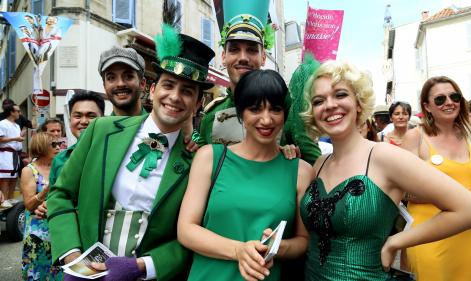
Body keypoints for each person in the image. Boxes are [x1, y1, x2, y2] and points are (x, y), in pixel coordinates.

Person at [47, 26, 215, 281]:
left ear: (198, 103)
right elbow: (61, 194)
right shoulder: (101, 130)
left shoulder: (197, 161)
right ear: (152, 89)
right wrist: (72, 255)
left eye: (187, 91)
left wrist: (143, 266)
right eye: (168, 85)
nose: (175, 97)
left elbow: (192, 236)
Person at [300, 61, 471, 280]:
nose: (329, 105)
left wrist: (395, 242)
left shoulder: (385, 156)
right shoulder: (319, 163)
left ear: (359, 103)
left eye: (340, 95)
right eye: (319, 101)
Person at [177, 69, 313, 281]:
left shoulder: (301, 172)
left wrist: (278, 247)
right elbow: (186, 229)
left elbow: (304, 240)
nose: (266, 119)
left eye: (275, 109)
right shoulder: (210, 158)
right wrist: (239, 251)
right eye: (255, 109)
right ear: (240, 113)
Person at [198, 0, 320, 165]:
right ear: (223, 57)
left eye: (252, 49)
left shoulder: (286, 104)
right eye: (234, 49)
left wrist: (291, 159)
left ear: (263, 57)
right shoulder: (211, 115)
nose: (243, 58)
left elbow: (315, 164)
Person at [402, 76, 471, 281]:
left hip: (468, 234)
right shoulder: (416, 136)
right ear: (427, 106)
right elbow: (401, 190)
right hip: (428, 235)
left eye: (454, 96)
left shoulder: (468, 135)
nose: (449, 102)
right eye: (440, 99)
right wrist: (455, 198)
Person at [32, 92, 106, 221]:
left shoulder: (112, 153)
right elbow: (55, 199)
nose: (83, 121)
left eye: (91, 116)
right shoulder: (60, 160)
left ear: (103, 118)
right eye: (77, 116)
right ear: (70, 119)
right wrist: (45, 207)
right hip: (70, 232)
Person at [20, 132, 63, 281]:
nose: (59, 147)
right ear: (42, 146)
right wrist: (45, 191)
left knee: (59, 270)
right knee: (39, 270)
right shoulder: (29, 170)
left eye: (59, 144)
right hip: (38, 232)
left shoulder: (60, 167)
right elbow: (29, 205)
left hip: (59, 227)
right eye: (54, 145)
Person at [98, 46, 148, 116]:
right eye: (111, 78)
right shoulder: (99, 126)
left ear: (142, 83)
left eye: (128, 76)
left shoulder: (158, 126)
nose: (120, 84)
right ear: (104, 86)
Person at [0, 103, 24, 203]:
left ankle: (9, 207)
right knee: (5, 181)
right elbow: (0, 139)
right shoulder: (2, 123)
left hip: (15, 156)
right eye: (18, 111)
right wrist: (16, 138)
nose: (20, 113)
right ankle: (3, 207)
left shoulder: (17, 126)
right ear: (11, 112)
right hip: (5, 155)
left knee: (13, 181)